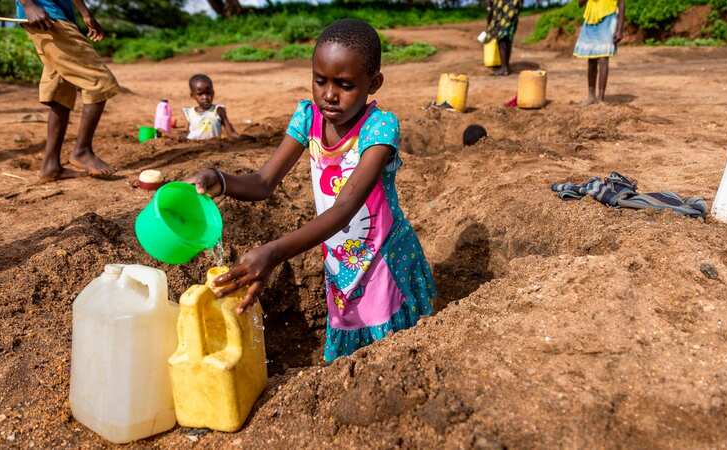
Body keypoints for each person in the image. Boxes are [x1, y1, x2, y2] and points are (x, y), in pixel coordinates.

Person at [186, 19, 436, 363]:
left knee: (388, 356)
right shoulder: (309, 119)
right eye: (320, 81)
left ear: (373, 83)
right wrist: (222, 179)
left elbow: (345, 207)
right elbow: (263, 182)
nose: (329, 94)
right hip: (340, 262)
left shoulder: (378, 129)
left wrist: (274, 253)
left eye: (345, 84)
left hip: (382, 262)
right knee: (350, 353)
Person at [16, 0, 119, 180]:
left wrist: (85, 14)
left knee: (61, 89)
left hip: (57, 16)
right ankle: (82, 151)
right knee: (99, 80)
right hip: (46, 16)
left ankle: (51, 166)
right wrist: (28, 4)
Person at [574, 0, 625, 104]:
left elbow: (621, 4)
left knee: (603, 58)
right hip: (591, 20)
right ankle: (591, 96)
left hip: (608, 19)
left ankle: (601, 98)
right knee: (591, 59)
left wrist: (620, 29)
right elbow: (580, 4)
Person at [183, 74, 239, 140]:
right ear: (193, 96)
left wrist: (242, 138)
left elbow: (231, 133)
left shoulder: (218, 110)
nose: (205, 97)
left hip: (214, 147)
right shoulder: (190, 112)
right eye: (200, 94)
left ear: (213, 93)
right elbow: (189, 133)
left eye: (208, 93)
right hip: (195, 146)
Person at [485, 0, 522, 76]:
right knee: (508, 40)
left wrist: (489, 15)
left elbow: (492, 9)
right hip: (512, 16)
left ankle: (504, 68)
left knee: (502, 40)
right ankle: (506, 66)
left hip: (505, 17)